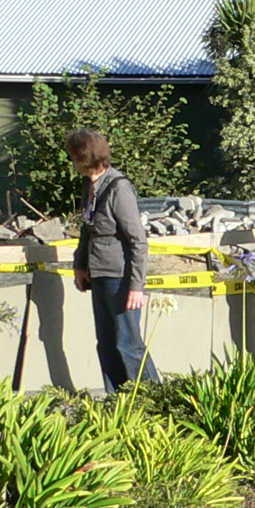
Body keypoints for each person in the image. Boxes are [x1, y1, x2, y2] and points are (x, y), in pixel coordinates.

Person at [68, 128, 156, 391]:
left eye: (73, 157)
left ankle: (155, 400)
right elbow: (88, 229)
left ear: (85, 157)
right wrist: (79, 266)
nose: (71, 162)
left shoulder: (119, 188)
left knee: (128, 343)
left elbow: (137, 241)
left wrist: (136, 286)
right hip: (99, 275)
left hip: (121, 278)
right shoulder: (90, 186)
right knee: (106, 343)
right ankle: (117, 400)